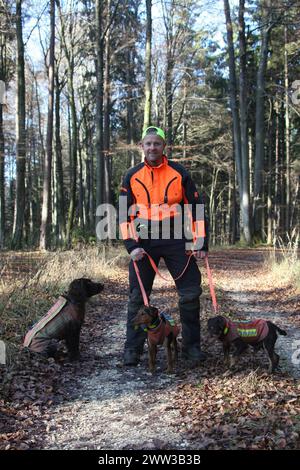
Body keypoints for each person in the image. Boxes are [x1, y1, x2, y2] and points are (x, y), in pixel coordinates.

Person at [119, 126, 208, 366]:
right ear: (141, 146)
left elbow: (196, 208)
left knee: (190, 295)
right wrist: (131, 245)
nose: (152, 148)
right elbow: (123, 215)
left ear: (163, 146)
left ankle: (192, 348)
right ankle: (133, 349)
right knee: (138, 298)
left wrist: (200, 241)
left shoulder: (179, 172)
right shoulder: (131, 175)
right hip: (144, 241)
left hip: (177, 237)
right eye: (148, 144)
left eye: (156, 143)